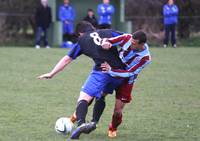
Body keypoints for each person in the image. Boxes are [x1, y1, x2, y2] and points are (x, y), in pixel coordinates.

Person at [37, 21, 126, 140]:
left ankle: (81, 124)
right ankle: (94, 121)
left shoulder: (82, 40)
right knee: (101, 95)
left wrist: (52, 73)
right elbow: (128, 38)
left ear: (80, 33)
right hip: (120, 74)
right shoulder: (107, 32)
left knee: (84, 97)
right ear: (93, 28)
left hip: (103, 71)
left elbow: (67, 59)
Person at [69, 31, 151, 138]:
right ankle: (91, 122)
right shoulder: (127, 38)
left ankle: (113, 127)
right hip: (112, 71)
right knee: (99, 94)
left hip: (126, 80)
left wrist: (111, 70)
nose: (131, 44)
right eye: (131, 42)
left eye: (134, 43)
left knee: (118, 111)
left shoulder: (145, 58)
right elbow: (109, 40)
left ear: (142, 44)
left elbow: (129, 73)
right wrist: (105, 43)